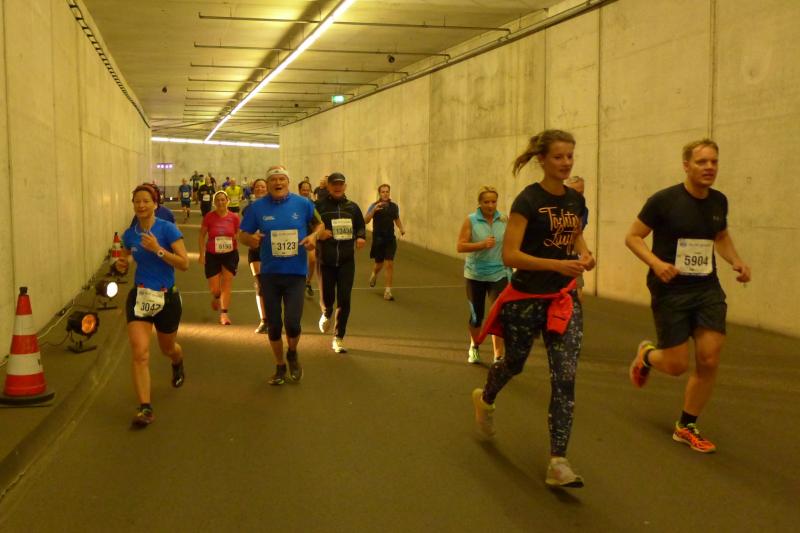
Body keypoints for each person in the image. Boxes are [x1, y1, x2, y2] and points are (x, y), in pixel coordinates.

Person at [471, 129, 595, 488]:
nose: (566, 162)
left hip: (563, 300)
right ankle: (486, 398)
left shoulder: (574, 200)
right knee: (514, 363)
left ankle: (558, 461)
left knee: (565, 377)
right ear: (542, 160)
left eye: (570, 156)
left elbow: (574, 236)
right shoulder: (528, 200)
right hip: (526, 299)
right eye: (558, 156)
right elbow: (510, 255)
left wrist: (585, 255)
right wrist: (557, 264)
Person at [624, 138, 751, 454]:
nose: (709, 167)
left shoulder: (719, 201)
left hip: (707, 289)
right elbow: (633, 237)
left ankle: (686, 425)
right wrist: (656, 263)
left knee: (709, 358)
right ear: (686, 165)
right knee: (676, 365)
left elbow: (720, 236)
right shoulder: (664, 201)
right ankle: (647, 355)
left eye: (714, 162)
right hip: (670, 290)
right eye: (702, 162)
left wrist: (735, 260)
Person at [239, 167, 320, 385]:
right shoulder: (257, 208)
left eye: (282, 179)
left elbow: (320, 225)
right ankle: (279, 366)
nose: (278, 183)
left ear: (288, 182)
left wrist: (314, 236)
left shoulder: (303, 204)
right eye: (273, 179)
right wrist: (250, 240)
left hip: (296, 273)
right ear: (268, 184)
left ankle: (292, 352)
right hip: (270, 274)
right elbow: (242, 234)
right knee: (274, 325)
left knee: (292, 323)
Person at [116, 184, 189, 427]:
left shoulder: (167, 229)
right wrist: (122, 264)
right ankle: (145, 408)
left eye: (146, 201)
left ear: (155, 204)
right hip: (140, 296)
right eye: (137, 201)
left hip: (166, 297)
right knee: (140, 353)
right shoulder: (130, 234)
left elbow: (184, 264)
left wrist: (158, 250)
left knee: (168, 348)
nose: (141, 205)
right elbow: (126, 256)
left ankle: (177, 361)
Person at [457, 186, 510, 364]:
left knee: (498, 315)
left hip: (499, 273)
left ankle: (498, 355)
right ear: (479, 203)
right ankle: (474, 346)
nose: (490, 205)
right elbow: (460, 246)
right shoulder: (471, 220)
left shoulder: (503, 219)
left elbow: (510, 243)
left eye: (493, 201)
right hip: (475, 274)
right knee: (476, 317)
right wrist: (481, 244)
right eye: (486, 202)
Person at [315, 172, 367, 354]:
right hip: (325, 260)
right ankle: (326, 312)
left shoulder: (352, 207)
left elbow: (360, 226)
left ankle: (338, 337)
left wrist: (360, 237)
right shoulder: (319, 206)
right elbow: (309, 226)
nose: (337, 187)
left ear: (345, 186)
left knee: (344, 299)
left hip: (346, 260)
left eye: (341, 184)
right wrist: (319, 234)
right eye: (334, 184)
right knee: (327, 297)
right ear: (328, 186)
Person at [199, 190, 240, 325]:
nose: (221, 202)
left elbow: (238, 234)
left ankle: (224, 314)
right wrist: (201, 254)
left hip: (230, 254)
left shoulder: (234, 217)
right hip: (212, 255)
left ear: (227, 201)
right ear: (214, 202)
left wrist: (235, 241)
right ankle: (217, 296)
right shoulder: (209, 217)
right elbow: (201, 236)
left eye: (223, 199)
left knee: (227, 283)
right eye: (218, 200)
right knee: (215, 288)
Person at [365, 184, 405, 301]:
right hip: (378, 239)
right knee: (379, 264)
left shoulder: (394, 206)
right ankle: (374, 274)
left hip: (390, 239)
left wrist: (401, 228)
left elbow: (396, 218)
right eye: (383, 192)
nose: (385, 193)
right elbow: (366, 220)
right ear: (379, 193)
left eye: (387, 191)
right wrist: (374, 211)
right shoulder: (374, 205)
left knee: (389, 264)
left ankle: (388, 291)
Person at [243, 178, 269, 333]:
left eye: (263, 187)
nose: (260, 189)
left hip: (272, 250)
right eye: (257, 187)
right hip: (255, 249)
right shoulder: (249, 209)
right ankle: (264, 320)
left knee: (272, 284)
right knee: (260, 283)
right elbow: (244, 231)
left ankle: (274, 317)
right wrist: (251, 236)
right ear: (253, 190)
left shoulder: (274, 206)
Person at [565, 176, 588, 302]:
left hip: (573, 256)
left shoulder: (583, 210)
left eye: (581, 192)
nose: (579, 196)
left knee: (578, 289)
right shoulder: (557, 208)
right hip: (556, 258)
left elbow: (578, 233)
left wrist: (584, 252)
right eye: (575, 192)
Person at [298, 179, 317, 297]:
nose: (305, 192)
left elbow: (318, 222)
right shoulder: (295, 203)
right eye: (303, 190)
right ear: (299, 190)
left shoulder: (314, 205)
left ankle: (308, 282)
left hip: (310, 236)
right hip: (297, 237)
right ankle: (298, 282)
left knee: (312, 260)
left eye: (307, 190)